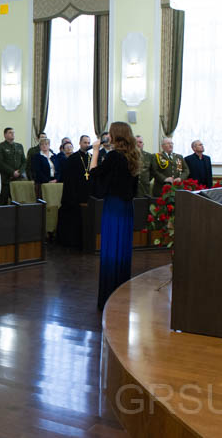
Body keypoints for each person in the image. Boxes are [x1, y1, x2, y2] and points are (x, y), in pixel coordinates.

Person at [89, 122, 140, 310]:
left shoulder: (113, 157)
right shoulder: (133, 156)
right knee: (123, 251)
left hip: (114, 207)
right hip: (127, 208)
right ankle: (121, 296)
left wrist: (95, 152)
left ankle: (108, 299)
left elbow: (95, 174)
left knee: (111, 250)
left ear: (115, 135)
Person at [56, 135, 92, 248]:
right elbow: (69, 178)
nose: (87, 145)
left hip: (87, 192)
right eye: (85, 142)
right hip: (75, 192)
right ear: (80, 143)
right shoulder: (73, 158)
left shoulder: (91, 157)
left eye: (88, 142)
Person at [0, 127, 25, 205]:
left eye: (13, 132)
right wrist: (12, 172)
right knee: (3, 202)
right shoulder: (0, 146)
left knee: (18, 201)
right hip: (6, 180)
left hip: (18, 179)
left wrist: (20, 171)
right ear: (5, 135)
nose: (12, 134)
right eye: (10, 132)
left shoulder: (19, 146)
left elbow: (24, 162)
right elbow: (0, 163)